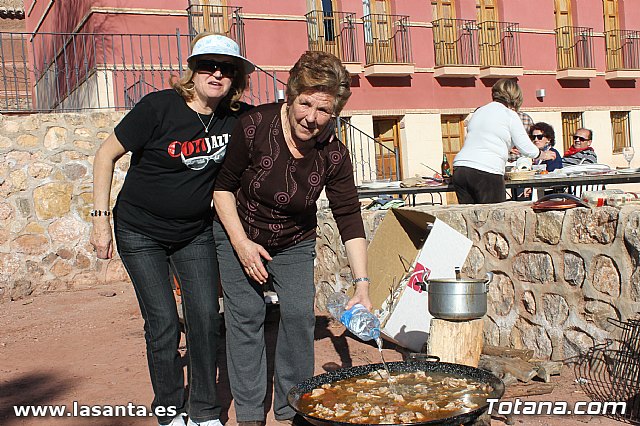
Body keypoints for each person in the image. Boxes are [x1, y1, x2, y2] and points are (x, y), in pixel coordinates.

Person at [90, 33, 255, 426]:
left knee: (204, 317)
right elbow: (105, 154)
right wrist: (100, 221)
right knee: (163, 322)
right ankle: (169, 409)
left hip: (193, 232)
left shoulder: (237, 118)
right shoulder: (158, 107)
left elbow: (284, 120)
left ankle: (203, 410)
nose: (217, 73)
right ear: (192, 70)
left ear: (236, 77)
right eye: (208, 65)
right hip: (139, 231)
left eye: (227, 68)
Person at [212, 50, 372, 426]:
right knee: (246, 317)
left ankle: (292, 405)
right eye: (305, 104)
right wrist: (241, 244)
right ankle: (251, 413)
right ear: (291, 95)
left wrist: (362, 284)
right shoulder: (253, 126)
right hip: (239, 228)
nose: (311, 118)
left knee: (299, 316)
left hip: (294, 238)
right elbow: (222, 189)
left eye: (324, 111)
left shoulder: (334, 154)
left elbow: (349, 217)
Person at [452, 78, 556, 204]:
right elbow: (525, 146)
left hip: (461, 168)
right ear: (515, 96)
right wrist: (543, 154)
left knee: (469, 219)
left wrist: (506, 146)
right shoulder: (509, 114)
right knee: (495, 218)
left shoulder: (479, 112)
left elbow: (482, 137)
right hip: (486, 170)